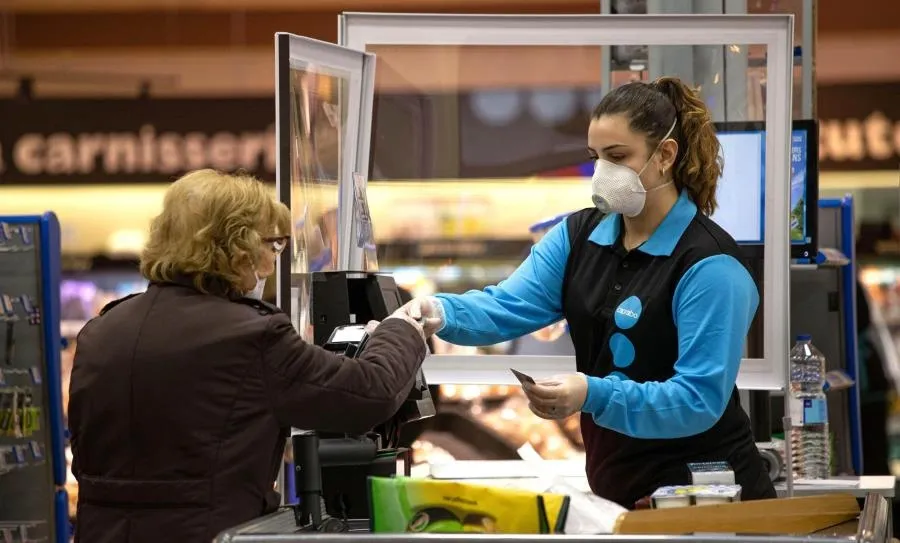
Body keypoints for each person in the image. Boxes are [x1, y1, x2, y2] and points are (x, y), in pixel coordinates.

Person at [402, 77, 776, 508]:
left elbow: (697, 400)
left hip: (707, 502)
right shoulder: (579, 236)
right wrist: (434, 312)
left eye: (618, 157)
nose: (602, 173)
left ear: (665, 156)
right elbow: (505, 307)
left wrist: (591, 393)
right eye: (596, 157)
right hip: (620, 492)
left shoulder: (710, 265)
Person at [68, 169, 429, 543]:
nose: (272, 263)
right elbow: (370, 392)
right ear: (237, 246)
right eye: (272, 245)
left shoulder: (100, 331)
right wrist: (404, 327)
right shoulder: (251, 333)